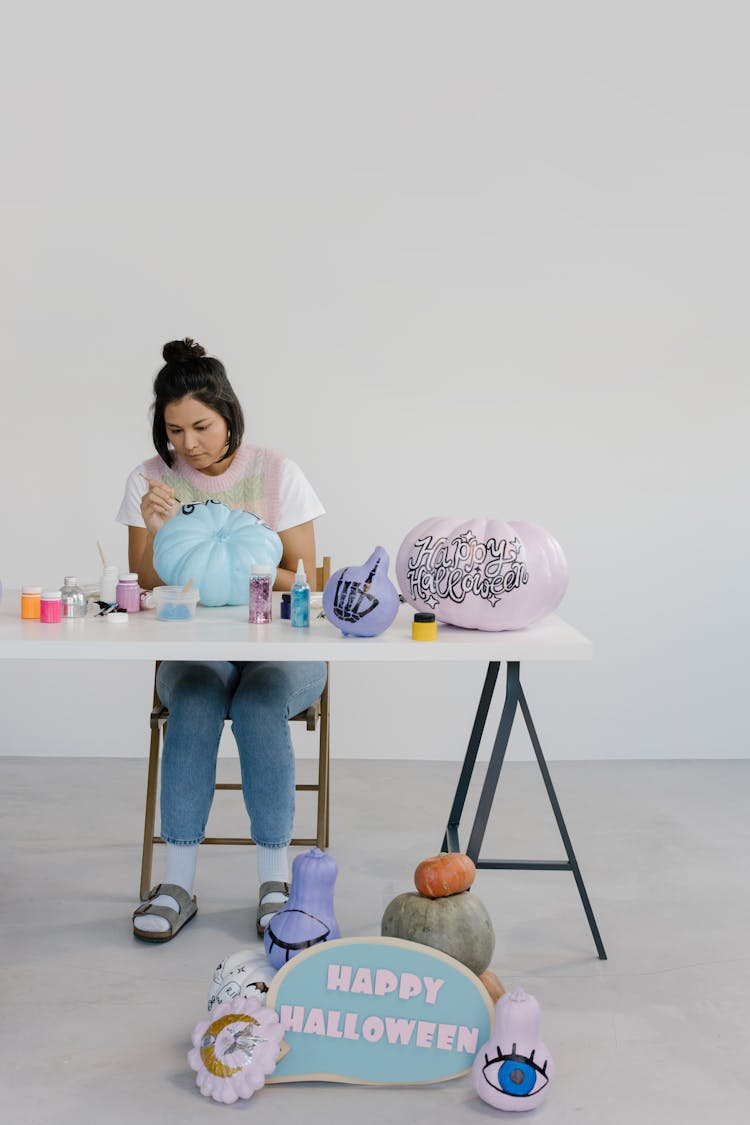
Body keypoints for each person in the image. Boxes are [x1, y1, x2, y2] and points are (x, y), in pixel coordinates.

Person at [116, 337, 327, 943]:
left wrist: (246, 558)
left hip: (282, 650)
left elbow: (305, 584)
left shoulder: (275, 472)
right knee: (201, 700)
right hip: (192, 649)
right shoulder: (149, 480)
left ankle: (276, 885)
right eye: (174, 430)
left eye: (201, 426)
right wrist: (160, 530)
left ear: (229, 413)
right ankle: (177, 883)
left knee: (259, 703)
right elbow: (144, 586)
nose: (188, 444)